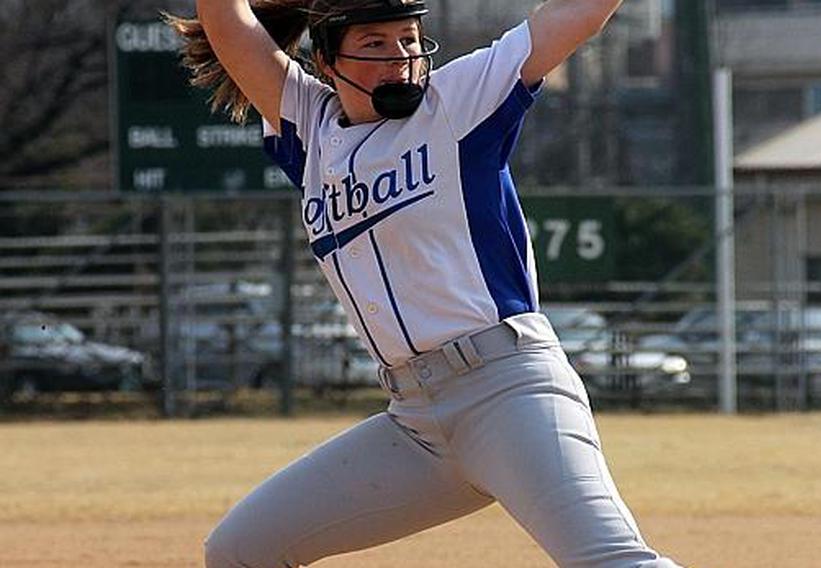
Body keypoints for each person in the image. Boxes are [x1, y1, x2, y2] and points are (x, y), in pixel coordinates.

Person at [168, 0, 683, 566]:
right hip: (414, 422)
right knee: (242, 550)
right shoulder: (310, 129)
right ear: (325, 59)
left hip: (509, 392)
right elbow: (227, 23)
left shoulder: (455, 101)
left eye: (409, 39)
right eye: (375, 44)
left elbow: (576, 15)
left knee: (612, 561)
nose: (401, 59)